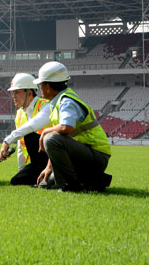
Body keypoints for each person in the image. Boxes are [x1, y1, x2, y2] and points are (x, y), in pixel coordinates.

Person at [34, 62, 112, 192]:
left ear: (48, 87)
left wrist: (45, 132)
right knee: (45, 183)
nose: (39, 88)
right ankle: (94, 181)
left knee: (50, 138)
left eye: (40, 85)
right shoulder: (59, 102)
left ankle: (71, 187)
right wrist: (49, 167)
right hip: (86, 154)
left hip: (97, 155)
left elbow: (66, 128)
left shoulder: (66, 102)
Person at [0, 73, 51, 186]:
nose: (13, 95)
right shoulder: (19, 114)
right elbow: (20, 147)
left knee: (30, 136)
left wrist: (7, 140)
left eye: (17, 92)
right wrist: (21, 169)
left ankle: (51, 176)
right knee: (16, 181)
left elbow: (32, 125)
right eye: (13, 92)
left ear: (29, 93)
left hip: (52, 159)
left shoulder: (46, 106)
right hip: (35, 163)